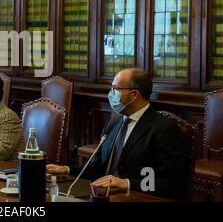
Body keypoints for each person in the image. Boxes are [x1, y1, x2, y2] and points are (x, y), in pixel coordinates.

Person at [47, 68, 188, 201]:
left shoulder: (164, 128)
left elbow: (171, 183)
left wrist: (126, 183)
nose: (111, 94)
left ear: (134, 95)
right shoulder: (114, 123)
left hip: (135, 197)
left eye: (116, 89)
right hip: (102, 195)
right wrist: (66, 169)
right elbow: (96, 168)